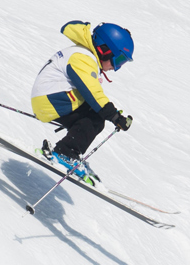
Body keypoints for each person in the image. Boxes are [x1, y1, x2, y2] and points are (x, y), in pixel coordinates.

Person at [30, 21, 135, 185]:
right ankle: (65, 153)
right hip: (53, 100)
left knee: (94, 116)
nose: (116, 68)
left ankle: (69, 152)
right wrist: (114, 116)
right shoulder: (83, 58)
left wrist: (111, 114)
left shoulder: (84, 55)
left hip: (52, 99)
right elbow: (93, 93)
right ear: (105, 50)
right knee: (95, 118)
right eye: (118, 60)